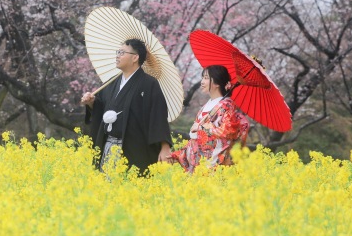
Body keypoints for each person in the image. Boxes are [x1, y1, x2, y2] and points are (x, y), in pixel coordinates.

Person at [80, 39, 173, 174]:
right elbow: (102, 109)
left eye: (122, 52)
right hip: (109, 145)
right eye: (118, 52)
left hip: (135, 148)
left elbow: (158, 116)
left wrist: (165, 147)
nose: (117, 55)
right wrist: (92, 103)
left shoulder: (149, 84)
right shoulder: (111, 83)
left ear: (135, 57)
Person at [171, 65, 250, 173]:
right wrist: (176, 155)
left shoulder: (226, 106)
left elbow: (227, 132)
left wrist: (202, 127)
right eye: (202, 77)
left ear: (217, 83)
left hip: (212, 168)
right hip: (199, 165)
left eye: (206, 78)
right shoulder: (208, 105)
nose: (202, 81)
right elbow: (195, 141)